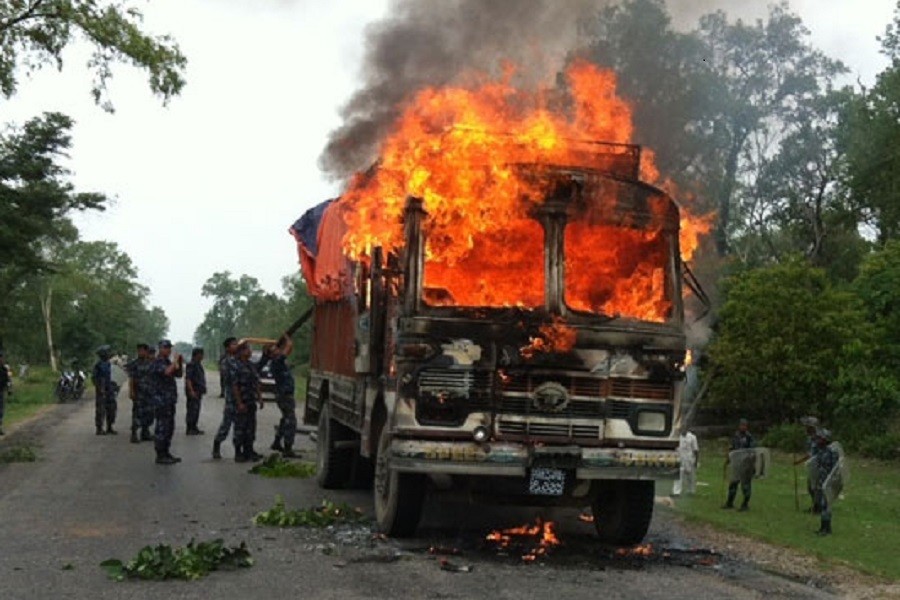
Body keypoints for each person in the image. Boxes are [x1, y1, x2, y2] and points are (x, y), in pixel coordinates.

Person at [263, 334, 298, 457]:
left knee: (285, 420)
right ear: (271, 354)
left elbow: (287, 350)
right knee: (291, 421)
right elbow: (289, 348)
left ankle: (277, 442)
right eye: (274, 349)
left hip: (283, 395)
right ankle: (288, 448)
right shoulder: (276, 362)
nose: (277, 349)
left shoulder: (278, 361)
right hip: (284, 395)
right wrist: (287, 339)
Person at [150, 339, 184, 465]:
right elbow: (167, 372)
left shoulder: (166, 361)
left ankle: (166, 452)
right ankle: (160, 454)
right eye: (166, 347)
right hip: (161, 401)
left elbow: (178, 374)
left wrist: (179, 362)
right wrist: (174, 362)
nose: (168, 350)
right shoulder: (157, 362)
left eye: (169, 347)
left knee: (169, 427)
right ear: (160, 348)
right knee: (162, 428)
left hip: (169, 400)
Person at [232, 341, 264, 463]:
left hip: (251, 402)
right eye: (247, 349)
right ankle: (238, 452)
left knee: (251, 427)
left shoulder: (251, 366)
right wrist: (239, 402)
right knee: (240, 427)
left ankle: (249, 451)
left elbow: (256, 383)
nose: (250, 352)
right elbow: (235, 386)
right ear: (241, 352)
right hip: (242, 402)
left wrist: (260, 398)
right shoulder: (237, 366)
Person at [212, 337, 239, 459]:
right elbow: (231, 380)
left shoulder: (239, 360)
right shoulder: (226, 362)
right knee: (226, 424)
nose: (236, 346)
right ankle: (216, 445)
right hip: (232, 398)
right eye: (233, 344)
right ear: (228, 347)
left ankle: (240, 450)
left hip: (241, 396)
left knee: (241, 425)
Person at [723, 418, 756, 511]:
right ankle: (729, 502)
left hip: (746, 465)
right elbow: (733, 448)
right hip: (737, 464)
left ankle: (745, 504)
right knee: (733, 484)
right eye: (742, 425)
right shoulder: (736, 436)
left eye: (744, 425)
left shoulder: (749, 437)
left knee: (745, 486)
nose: (743, 427)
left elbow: (752, 451)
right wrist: (728, 458)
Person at [793, 416, 822, 512]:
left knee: (816, 487)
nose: (805, 428)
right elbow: (810, 454)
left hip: (820, 465)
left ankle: (818, 507)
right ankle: (816, 505)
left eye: (807, 426)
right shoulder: (810, 438)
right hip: (813, 465)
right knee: (811, 487)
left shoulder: (819, 438)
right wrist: (799, 461)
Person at [814, 429, 839, 536]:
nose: (818, 440)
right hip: (821, 481)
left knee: (826, 505)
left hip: (829, 482)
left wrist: (831, 483)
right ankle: (822, 527)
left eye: (820, 438)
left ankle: (827, 529)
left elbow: (836, 469)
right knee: (822, 505)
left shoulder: (832, 451)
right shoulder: (820, 450)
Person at [126, 343, 150, 443]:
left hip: (148, 392)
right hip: (138, 392)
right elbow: (131, 379)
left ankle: (145, 432)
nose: (140, 352)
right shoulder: (134, 364)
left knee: (148, 413)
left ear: (146, 351)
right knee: (137, 414)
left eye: (142, 350)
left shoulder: (150, 363)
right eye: (139, 350)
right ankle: (134, 434)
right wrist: (131, 391)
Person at [91, 345, 117, 435]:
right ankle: (99, 428)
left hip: (110, 388)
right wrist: (99, 387)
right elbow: (94, 378)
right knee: (100, 410)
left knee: (112, 408)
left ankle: (110, 426)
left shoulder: (110, 364)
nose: (108, 354)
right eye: (106, 352)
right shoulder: (98, 365)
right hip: (101, 389)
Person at [184, 347, 206, 435]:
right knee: (192, 410)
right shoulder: (191, 364)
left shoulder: (198, 364)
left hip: (198, 391)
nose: (203, 356)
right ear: (198, 355)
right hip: (193, 391)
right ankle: (190, 428)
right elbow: (188, 379)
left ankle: (194, 427)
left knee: (196, 410)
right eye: (201, 354)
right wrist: (191, 391)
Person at [672, 425, 699, 496]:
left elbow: (696, 450)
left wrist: (696, 461)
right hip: (680, 459)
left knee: (691, 476)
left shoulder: (692, 437)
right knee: (678, 476)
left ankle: (691, 491)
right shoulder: (677, 437)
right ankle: (676, 492)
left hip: (690, 459)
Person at [0, 351, 9, 436]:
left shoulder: (4, 369)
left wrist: (9, 389)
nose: (2, 359)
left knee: (1, 410)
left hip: (2, 391)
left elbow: (7, 380)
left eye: (2, 358)